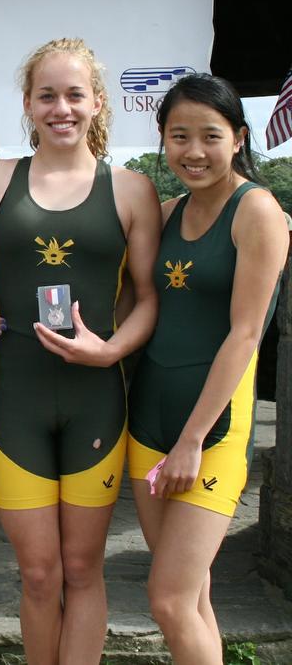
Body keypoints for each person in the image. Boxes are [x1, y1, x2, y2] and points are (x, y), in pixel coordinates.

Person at [0, 38, 160, 664]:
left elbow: (148, 297)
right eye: (47, 95)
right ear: (27, 103)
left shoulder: (131, 190)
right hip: (14, 396)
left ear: (97, 103)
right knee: (40, 574)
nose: (61, 108)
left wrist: (111, 353)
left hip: (95, 398)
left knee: (81, 569)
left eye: (75, 94)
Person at [126, 74, 287, 664]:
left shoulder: (258, 212)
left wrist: (192, 440)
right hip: (147, 426)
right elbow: (123, 304)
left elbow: (245, 335)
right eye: (179, 136)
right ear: (163, 140)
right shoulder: (164, 213)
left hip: (209, 435)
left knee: (167, 599)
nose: (194, 151)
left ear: (239, 138)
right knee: (192, 594)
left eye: (210, 136)